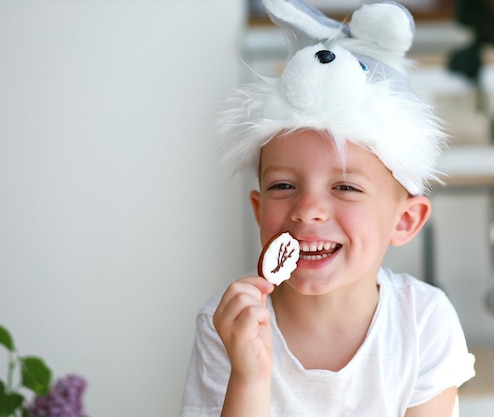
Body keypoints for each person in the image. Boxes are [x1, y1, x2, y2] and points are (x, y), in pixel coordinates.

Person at [179, 1, 475, 416]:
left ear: (405, 220)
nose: (308, 210)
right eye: (283, 185)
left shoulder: (424, 322)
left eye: (345, 186)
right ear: (258, 209)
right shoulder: (227, 323)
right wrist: (250, 376)